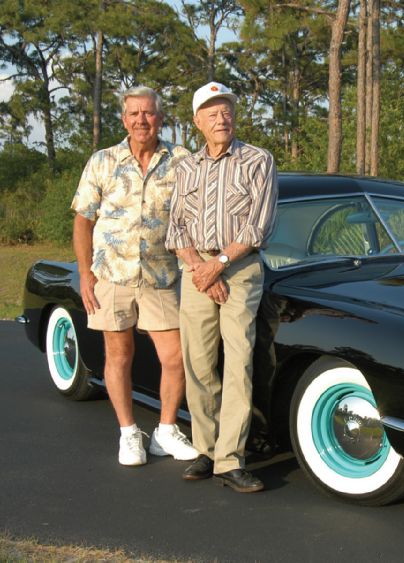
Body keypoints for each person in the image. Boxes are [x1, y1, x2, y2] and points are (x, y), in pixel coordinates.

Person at [72, 86, 199, 467]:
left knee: (175, 358)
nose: (141, 120)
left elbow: (198, 214)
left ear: (161, 118)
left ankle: (165, 430)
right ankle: (129, 433)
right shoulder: (103, 161)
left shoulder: (182, 160)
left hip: (163, 275)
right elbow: (83, 220)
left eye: (149, 113)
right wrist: (85, 273)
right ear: (124, 119)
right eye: (134, 114)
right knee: (118, 354)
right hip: (112, 274)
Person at [166, 82, 278, 493]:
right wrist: (199, 268)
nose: (221, 118)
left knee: (238, 362)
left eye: (227, 109)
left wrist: (219, 265)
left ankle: (231, 460)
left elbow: (257, 225)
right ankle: (206, 449)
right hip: (196, 272)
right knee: (197, 363)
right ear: (197, 122)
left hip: (240, 268)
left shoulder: (258, 160)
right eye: (212, 112)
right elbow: (176, 226)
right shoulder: (185, 168)